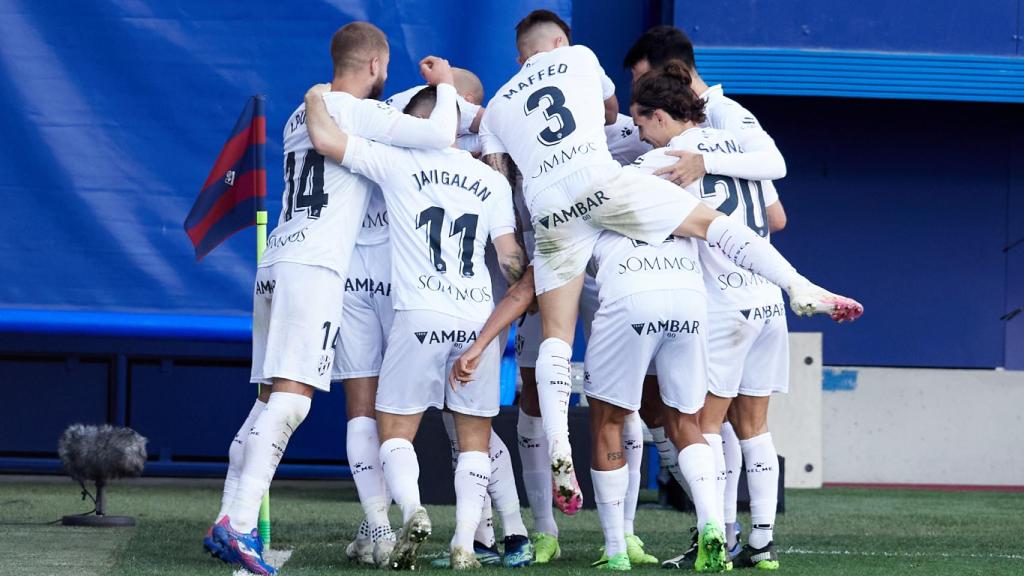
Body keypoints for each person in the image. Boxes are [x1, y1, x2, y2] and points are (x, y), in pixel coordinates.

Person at [479, 8, 862, 527]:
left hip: (549, 210)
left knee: (556, 336)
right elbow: (611, 113)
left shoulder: (501, 103)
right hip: (607, 191)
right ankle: (798, 286)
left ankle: (559, 445)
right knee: (710, 225)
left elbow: (501, 175)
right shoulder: (581, 58)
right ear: (559, 42)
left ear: (521, 57)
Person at [203, 22, 458, 576]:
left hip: (276, 259)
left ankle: (226, 515)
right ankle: (239, 525)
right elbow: (439, 134)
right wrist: (448, 88)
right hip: (314, 267)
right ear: (374, 66)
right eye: (384, 67)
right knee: (293, 400)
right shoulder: (356, 111)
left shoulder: (306, 110)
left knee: (267, 402)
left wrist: (321, 93)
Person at [303, 83, 531, 570]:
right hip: (476, 319)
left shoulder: (399, 162)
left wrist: (315, 96)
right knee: (474, 439)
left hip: (419, 314)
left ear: (422, 124)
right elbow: (511, 258)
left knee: (394, 432)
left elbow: (324, 139)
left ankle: (412, 511)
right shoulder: (489, 181)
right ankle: (466, 545)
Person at [623, 25, 794, 569]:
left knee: (701, 427)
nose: (638, 132)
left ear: (660, 108)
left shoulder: (671, 156)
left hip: (722, 300)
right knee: (754, 426)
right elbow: (776, 215)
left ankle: (713, 539)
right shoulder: (739, 138)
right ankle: (762, 543)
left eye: (640, 118)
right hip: (767, 299)